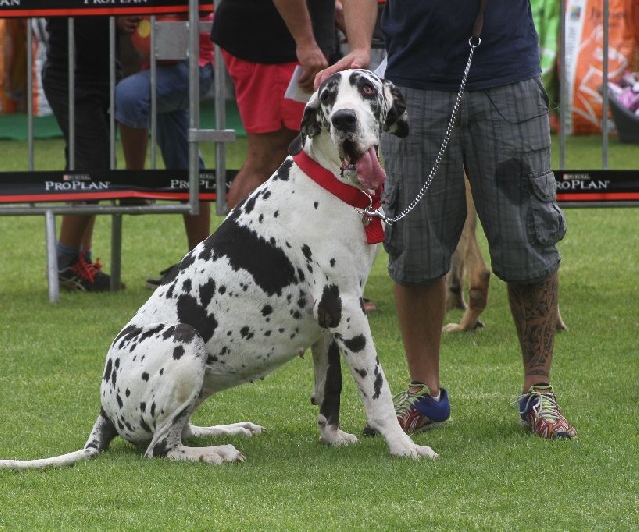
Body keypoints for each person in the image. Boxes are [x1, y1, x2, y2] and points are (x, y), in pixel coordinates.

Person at [317, 0, 577, 439]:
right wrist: (361, 48)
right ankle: (425, 391)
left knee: (528, 238)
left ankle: (539, 391)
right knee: (413, 244)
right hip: (412, 85)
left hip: (506, 76)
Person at [115, 15, 215, 289]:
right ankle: (198, 264)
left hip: (193, 65)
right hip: (161, 66)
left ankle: (134, 182)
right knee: (187, 169)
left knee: (129, 96)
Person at [210, 0, 339, 210]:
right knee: (268, 158)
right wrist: (305, 42)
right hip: (275, 45)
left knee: (297, 158)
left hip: (289, 41)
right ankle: (236, 242)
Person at [42, 16, 126, 292]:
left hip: (103, 71)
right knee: (93, 164)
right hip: (69, 75)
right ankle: (64, 262)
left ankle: (78, 260)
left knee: (89, 166)